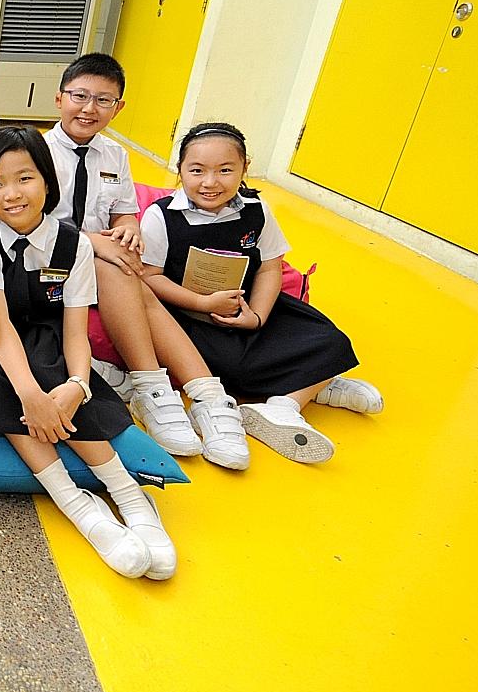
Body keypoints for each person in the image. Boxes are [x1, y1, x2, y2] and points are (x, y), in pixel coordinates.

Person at [0, 126, 172, 580]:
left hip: (50, 339)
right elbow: (0, 330)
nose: (11, 193)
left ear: (47, 181)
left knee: (53, 364)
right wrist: (32, 399)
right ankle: (76, 503)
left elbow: (75, 331)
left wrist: (76, 387)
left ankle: (130, 494)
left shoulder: (73, 242)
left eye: (25, 178)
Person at [43, 53, 249, 469]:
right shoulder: (35, 150)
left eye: (103, 100)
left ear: (118, 108)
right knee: (118, 268)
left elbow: (121, 207)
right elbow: (28, 216)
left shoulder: (114, 155)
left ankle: (207, 396)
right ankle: (154, 386)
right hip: (51, 254)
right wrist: (93, 243)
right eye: (79, 96)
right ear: (59, 98)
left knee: (131, 274)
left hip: (103, 251)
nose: (89, 108)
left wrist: (129, 226)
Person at [140, 122, 380, 464]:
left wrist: (256, 316)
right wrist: (201, 302)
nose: (210, 182)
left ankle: (285, 406)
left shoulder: (257, 209)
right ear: (180, 170)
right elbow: (150, 277)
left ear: (244, 168)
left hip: (251, 305)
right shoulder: (161, 217)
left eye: (225, 170)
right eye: (197, 171)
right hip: (192, 315)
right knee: (233, 367)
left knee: (332, 340)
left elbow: (270, 268)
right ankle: (314, 386)